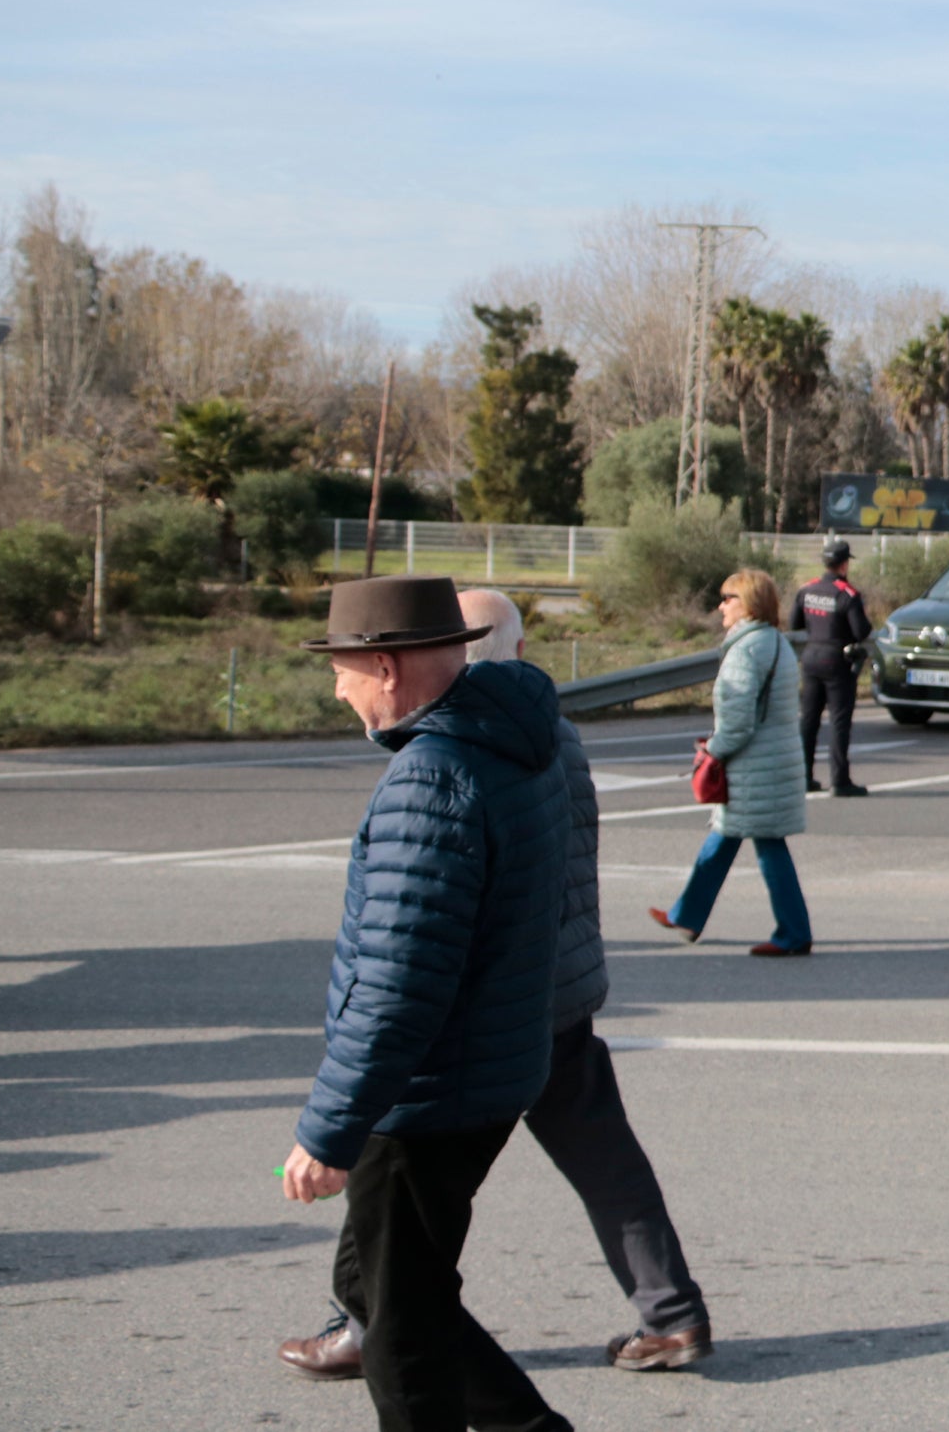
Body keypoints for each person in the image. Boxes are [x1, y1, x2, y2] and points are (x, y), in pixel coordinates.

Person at [279, 593, 713, 1387]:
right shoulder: (547, 731)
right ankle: (671, 1310)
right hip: (560, 986)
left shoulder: (464, 753)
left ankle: (369, 1320)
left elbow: (417, 947)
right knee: (604, 1160)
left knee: (398, 1171)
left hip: (499, 1000)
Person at [282, 574, 573, 1432]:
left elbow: (399, 982)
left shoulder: (430, 776)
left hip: (427, 1094)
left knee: (401, 1335)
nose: (338, 689)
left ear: (387, 666)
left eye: (342, 669)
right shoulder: (515, 737)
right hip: (488, 1070)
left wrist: (328, 1129)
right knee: (379, 1285)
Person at [649, 569, 813, 957]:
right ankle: (686, 915)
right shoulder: (775, 641)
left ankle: (794, 933)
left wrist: (712, 750)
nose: (721, 606)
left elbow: (738, 723)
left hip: (755, 767)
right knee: (726, 836)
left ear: (749, 604)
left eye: (728, 598)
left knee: (767, 845)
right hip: (773, 763)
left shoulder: (746, 650)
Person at [792, 535, 873, 796]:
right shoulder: (847, 594)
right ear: (844, 564)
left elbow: (794, 623)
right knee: (839, 722)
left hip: (810, 658)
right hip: (837, 661)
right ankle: (840, 781)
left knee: (808, 721)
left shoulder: (807, 589)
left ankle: (804, 777)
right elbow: (861, 631)